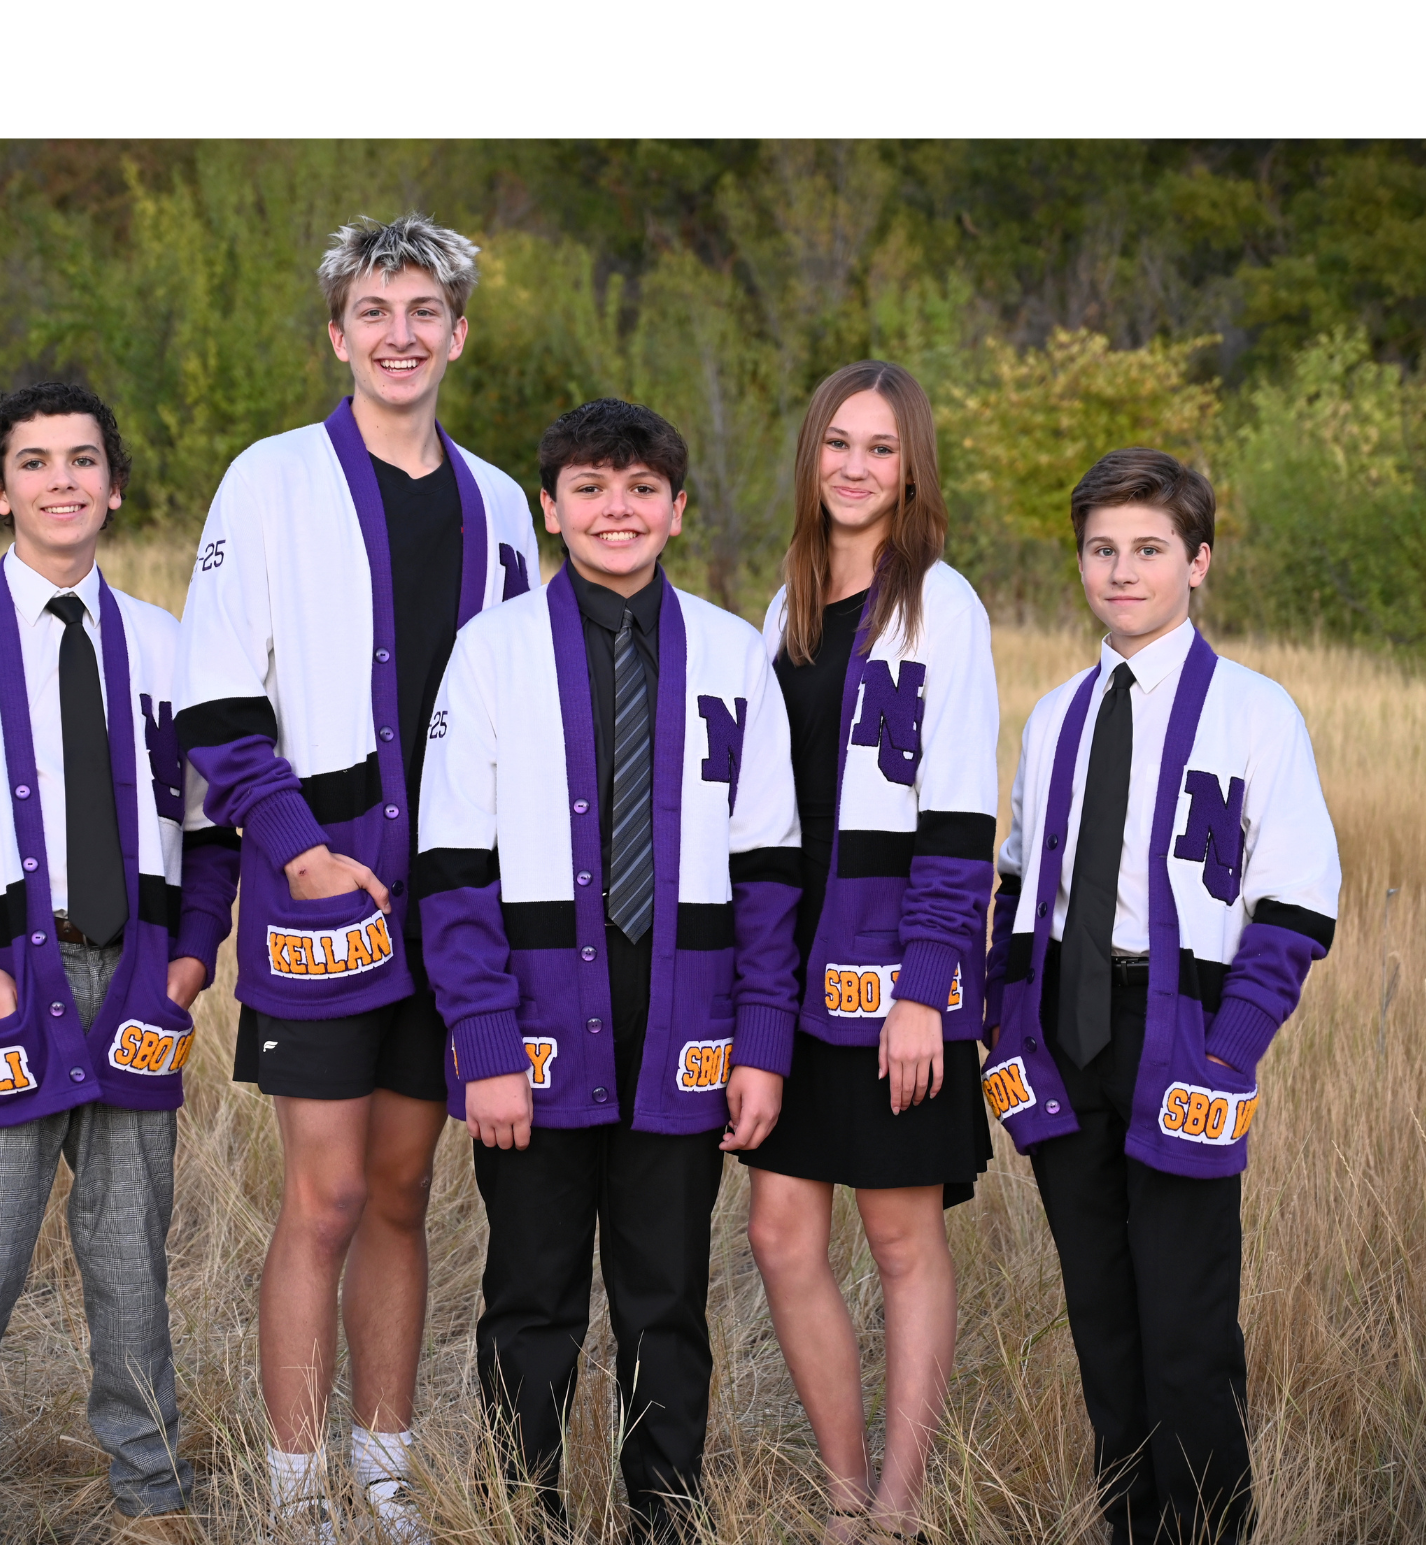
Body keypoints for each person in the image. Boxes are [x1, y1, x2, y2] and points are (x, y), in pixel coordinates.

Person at [172, 214, 540, 1541]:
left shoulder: (502, 501)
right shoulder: (267, 481)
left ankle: (386, 1480)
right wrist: (298, 847)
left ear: (454, 333)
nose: (400, 333)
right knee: (321, 1195)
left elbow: (516, 703)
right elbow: (213, 701)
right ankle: (294, 1492)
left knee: (401, 1192)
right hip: (317, 882)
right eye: (375, 310)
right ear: (339, 332)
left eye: (424, 310)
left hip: (454, 901)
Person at [0, 381, 238, 1544]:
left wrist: (185, 968)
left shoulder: (172, 647)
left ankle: (149, 1492)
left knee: (130, 1259)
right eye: (34, 461)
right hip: (6, 987)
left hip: (138, 988)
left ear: (114, 487)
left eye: (82, 460)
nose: (60, 480)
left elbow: (215, 835)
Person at [415, 398, 803, 1543]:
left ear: (677, 510)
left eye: (640, 488)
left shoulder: (735, 656)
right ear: (550, 509)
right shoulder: (490, 655)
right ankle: (517, 1515)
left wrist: (763, 1045)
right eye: (588, 487)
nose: (614, 509)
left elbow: (771, 871)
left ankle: (662, 1519)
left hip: (683, 1021)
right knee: (530, 1297)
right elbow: (450, 868)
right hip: (534, 1023)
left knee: (664, 1302)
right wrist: (482, 1045)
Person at [983, 448, 1341, 1543]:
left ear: (1197, 562)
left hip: (1182, 1031)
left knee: (1185, 1326)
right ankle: (1128, 1526)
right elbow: (1012, 885)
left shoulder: (1254, 713)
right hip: (1061, 1032)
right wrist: (1006, 1029)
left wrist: (1229, 1052)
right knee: (1101, 1320)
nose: (1121, 571)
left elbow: (1294, 903)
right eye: (1101, 550)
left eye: (1147, 550)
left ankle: (1205, 1532)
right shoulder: (1054, 718)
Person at [739, 360, 1001, 1544]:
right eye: (837, 443)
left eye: (880, 449)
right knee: (780, 1231)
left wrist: (921, 993)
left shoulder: (940, 605)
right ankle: (842, 1498)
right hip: (790, 978)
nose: (854, 466)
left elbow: (956, 821)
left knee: (900, 1237)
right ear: (811, 457)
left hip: (892, 975)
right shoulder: (779, 606)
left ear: (912, 469)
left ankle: (898, 1511)